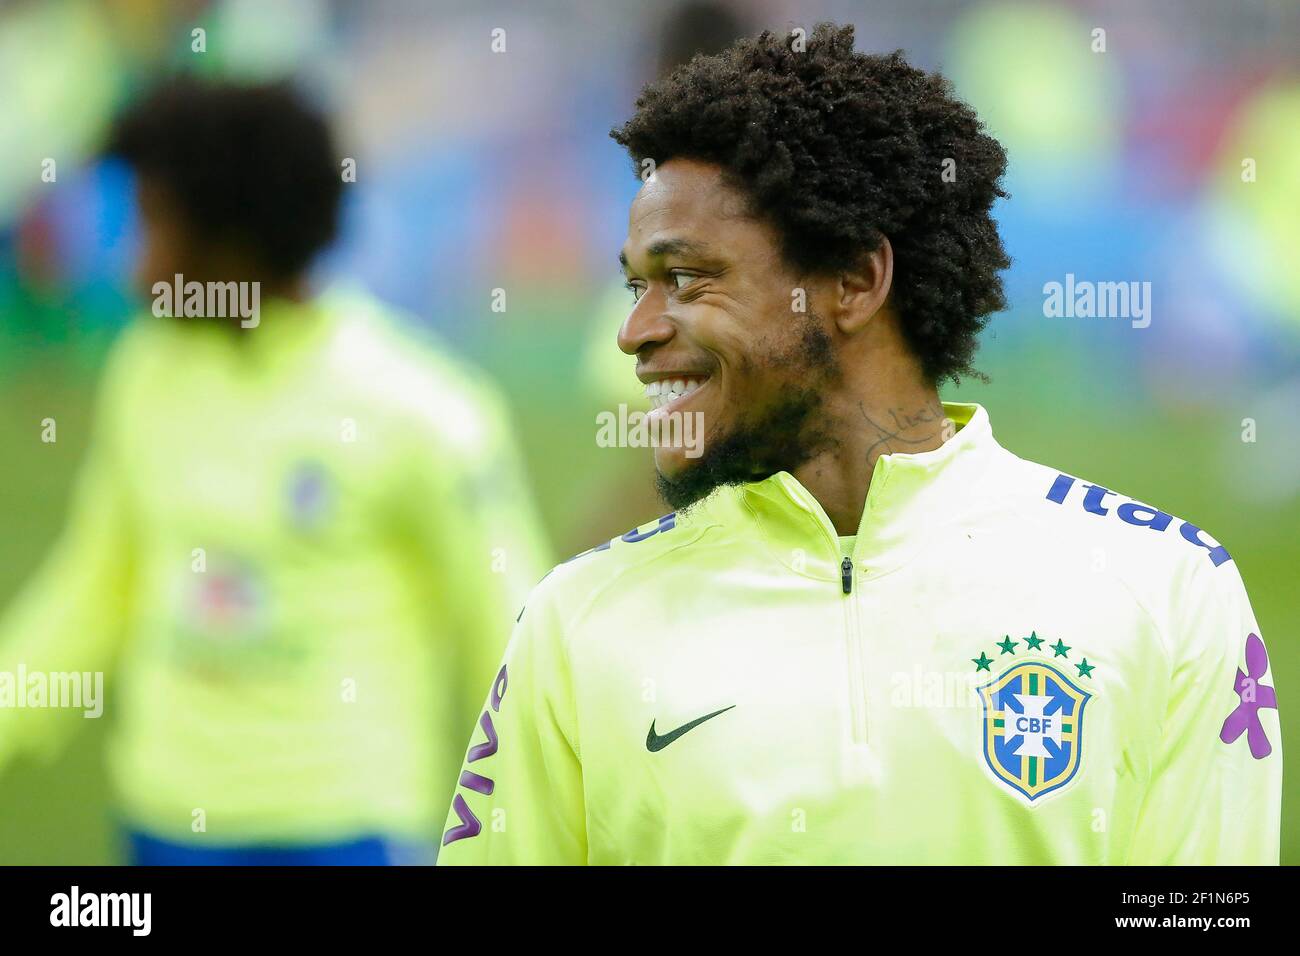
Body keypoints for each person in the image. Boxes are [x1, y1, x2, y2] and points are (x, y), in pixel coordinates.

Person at [437, 24, 1280, 865]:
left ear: (854, 280)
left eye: (687, 279)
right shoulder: (574, 624)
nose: (634, 332)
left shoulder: (1166, 594)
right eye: (635, 285)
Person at [0, 79, 549, 865]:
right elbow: (93, 585)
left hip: (343, 833)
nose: (132, 268)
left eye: (155, 227)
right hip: (166, 825)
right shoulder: (146, 373)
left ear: (232, 244)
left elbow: (510, 641)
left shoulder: (420, 408)